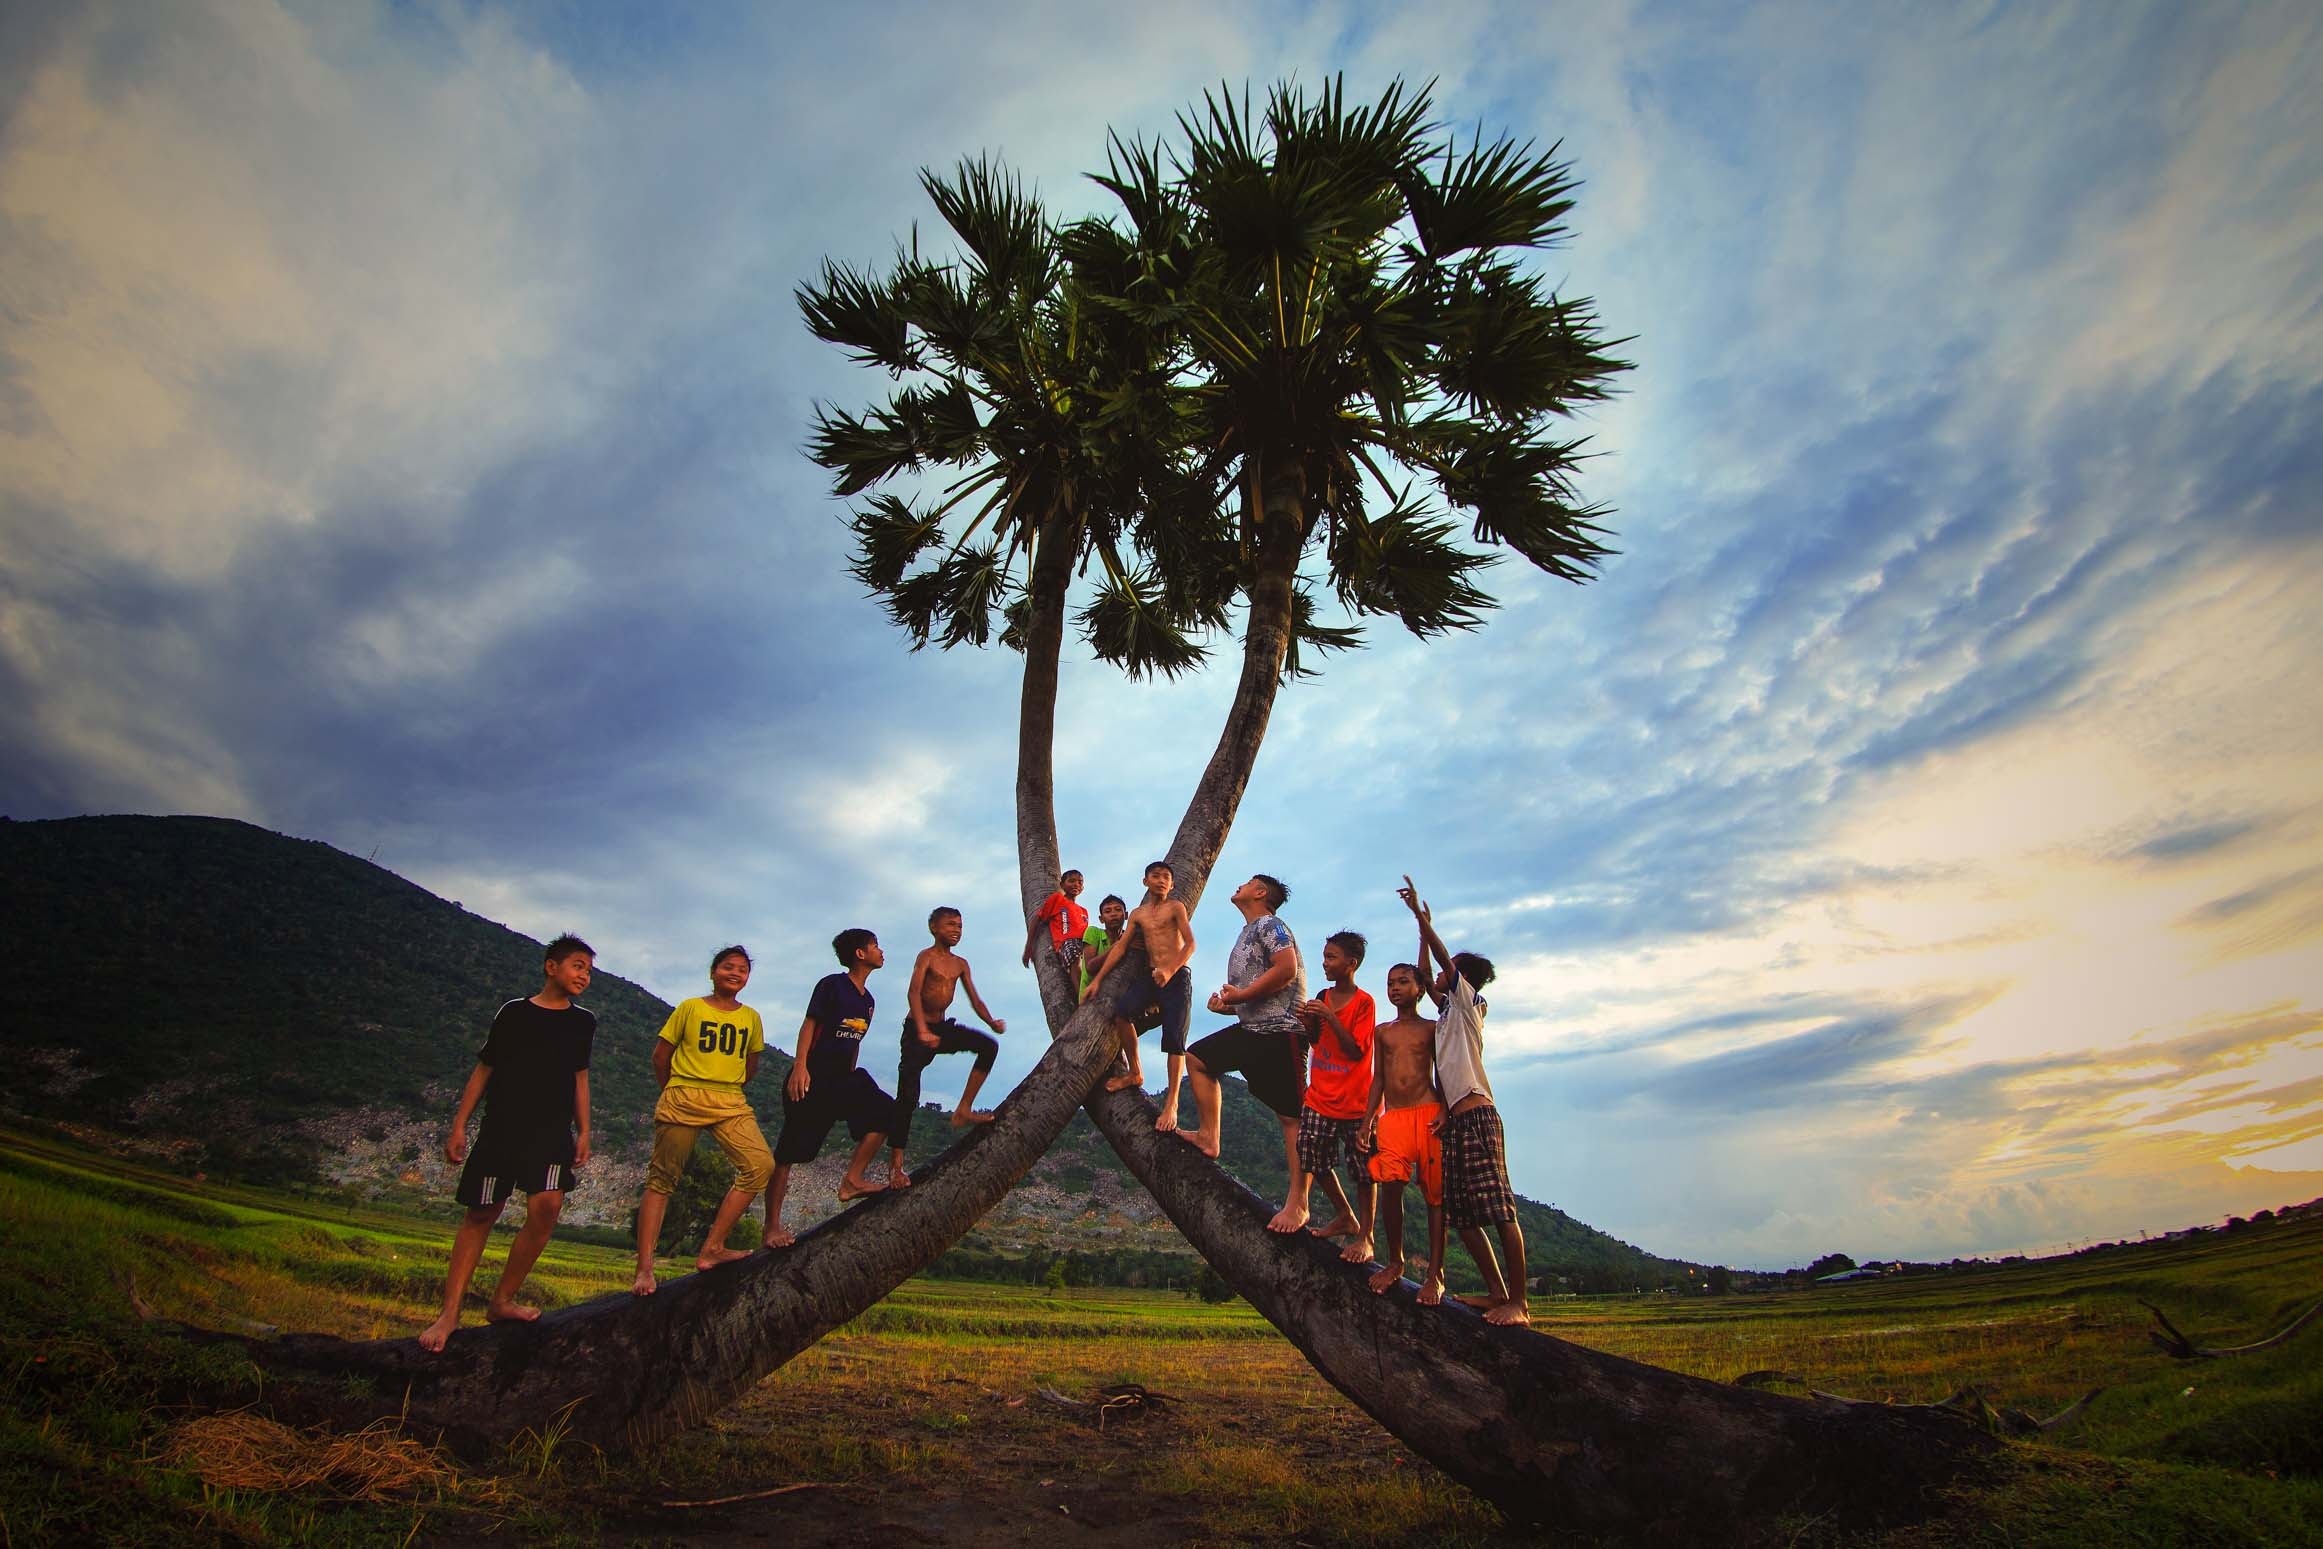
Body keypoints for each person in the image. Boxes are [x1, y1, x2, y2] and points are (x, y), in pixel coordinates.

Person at [418, 934, 595, 1351]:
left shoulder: (583, 1021)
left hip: (552, 1129)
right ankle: (449, 1314)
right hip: (502, 1125)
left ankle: (502, 1300)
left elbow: (579, 1077)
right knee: (482, 1213)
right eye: (577, 966)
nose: (584, 975)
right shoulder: (513, 1013)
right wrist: (459, 1125)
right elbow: (484, 1069)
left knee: (548, 1206)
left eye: (589, 970)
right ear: (551, 967)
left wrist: (585, 1130)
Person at [1400, 877, 1529, 1325]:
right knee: (1462, 1213)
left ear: (1461, 978)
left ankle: (1519, 1302)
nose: (1437, 976)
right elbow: (1423, 975)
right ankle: (1496, 1292)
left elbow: (1438, 963)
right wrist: (1421, 931)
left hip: (1477, 1113)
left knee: (1498, 1208)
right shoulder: (1448, 1011)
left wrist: (1421, 917)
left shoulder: (1470, 1002)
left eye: (1447, 970)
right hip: (1455, 1119)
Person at [630, 945, 776, 1295]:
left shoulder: (751, 1017)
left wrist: (729, 1085)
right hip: (684, 1094)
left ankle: (713, 1246)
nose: (735, 973)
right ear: (713, 972)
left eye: (742, 969)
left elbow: (751, 1063)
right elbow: (660, 1056)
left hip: (729, 1099)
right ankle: (645, 1270)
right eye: (728, 967)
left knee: (760, 1165)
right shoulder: (690, 1008)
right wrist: (673, 1090)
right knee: (662, 1180)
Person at [1177, 874, 1310, 1233]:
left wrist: (1240, 996)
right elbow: (1258, 990)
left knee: (1292, 1120)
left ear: (1261, 893)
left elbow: (1286, 970)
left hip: (1282, 1033)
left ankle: (1299, 1204)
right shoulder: (1246, 932)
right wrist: (1229, 1005)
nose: (1240, 885)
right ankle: (1209, 1136)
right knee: (1198, 1059)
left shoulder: (1271, 925)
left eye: (1248, 882)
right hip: (1253, 1029)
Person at [763, 928, 894, 1248]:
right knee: (789, 1154)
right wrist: (799, 1067)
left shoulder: (869, 1002)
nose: (881, 951)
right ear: (860, 954)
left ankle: (852, 1180)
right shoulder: (832, 985)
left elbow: (855, 1043)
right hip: (812, 1077)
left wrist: (850, 1081)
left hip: (842, 1079)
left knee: (887, 1112)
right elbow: (810, 1025)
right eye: (875, 946)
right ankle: (771, 1228)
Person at [886, 907, 1007, 1188]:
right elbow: (913, 992)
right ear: (934, 928)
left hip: (942, 1028)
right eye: (950, 925)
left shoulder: (961, 963)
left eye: (960, 926)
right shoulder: (926, 957)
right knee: (907, 1095)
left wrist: (990, 1021)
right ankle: (895, 1167)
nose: (956, 930)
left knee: (988, 1047)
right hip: (917, 1031)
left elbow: (974, 999)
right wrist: (922, 1030)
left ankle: (964, 1109)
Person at [1352, 962, 1447, 1302]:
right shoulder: (1383, 1031)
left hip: (1429, 1115)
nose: (1394, 988)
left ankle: (1435, 1273)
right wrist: (1367, 1121)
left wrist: (1446, 1112)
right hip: (1393, 1117)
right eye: (1390, 982)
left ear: (1419, 988)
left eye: (1403, 982)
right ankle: (1395, 1261)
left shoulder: (1432, 1028)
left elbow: (1442, 1076)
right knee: (1390, 1188)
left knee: (1435, 1196)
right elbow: (1378, 1077)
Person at [1080, 860, 1196, 1128]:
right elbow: (1120, 948)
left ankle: (1172, 1104)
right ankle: (1135, 1072)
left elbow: (1190, 944)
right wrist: (1097, 980)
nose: (1161, 880)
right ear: (1145, 881)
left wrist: (1169, 970)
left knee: (1174, 1040)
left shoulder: (1176, 907)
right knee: (1122, 1014)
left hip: (1176, 976)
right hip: (1150, 976)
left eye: (1167, 877)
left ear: (1173, 884)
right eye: (1156, 876)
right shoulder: (1138, 914)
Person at [1296, 930, 1376, 1247]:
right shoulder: (1323, 996)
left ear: (1351, 963)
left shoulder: (1364, 1003)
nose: (1325, 963)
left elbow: (1355, 1049)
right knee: (1312, 1157)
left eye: (1332, 957)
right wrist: (1309, 1019)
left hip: (1355, 1101)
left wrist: (1328, 1015)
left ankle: (1366, 1235)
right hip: (1320, 1096)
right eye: (1325, 956)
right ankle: (1345, 1215)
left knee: (1364, 1172)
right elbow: (1317, 1040)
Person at [1022, 868, 1089, 983]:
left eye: (1080, 882)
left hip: (1084, 944)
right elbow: (1037, 919)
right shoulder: (1058, 899)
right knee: (1075, 959)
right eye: (1071, 881)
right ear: (1062, 884)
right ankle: (1082, 998)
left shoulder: (1083, 911)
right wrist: (1029, 948)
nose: (1076, 884)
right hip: (1067, 942)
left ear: (1082, 887)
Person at [1079, 894, 1128, 999]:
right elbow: (1090, 967)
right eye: (1107, 911)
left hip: (1119, 997)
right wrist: (1118, 945)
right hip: (1091, 999)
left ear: (1126, 915)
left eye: (1118, 910)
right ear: (1101, 919)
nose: (1113, 914)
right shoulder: (1093, 932)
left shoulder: (1129, 938)